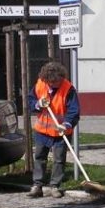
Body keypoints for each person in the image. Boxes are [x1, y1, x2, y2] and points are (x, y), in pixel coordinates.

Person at [27, 61, 80, 198]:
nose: (53, 84)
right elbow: (30, 101)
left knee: (59, 159)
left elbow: (74, 111)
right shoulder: (40, 84)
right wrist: (38, 104)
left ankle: (55, 186)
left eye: (55, 82)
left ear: (61, 78)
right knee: (39, 157)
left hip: (60, 131)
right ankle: (37, 185)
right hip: (42, 131)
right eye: (50, 82)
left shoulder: (68, 89)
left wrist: (67, 124)